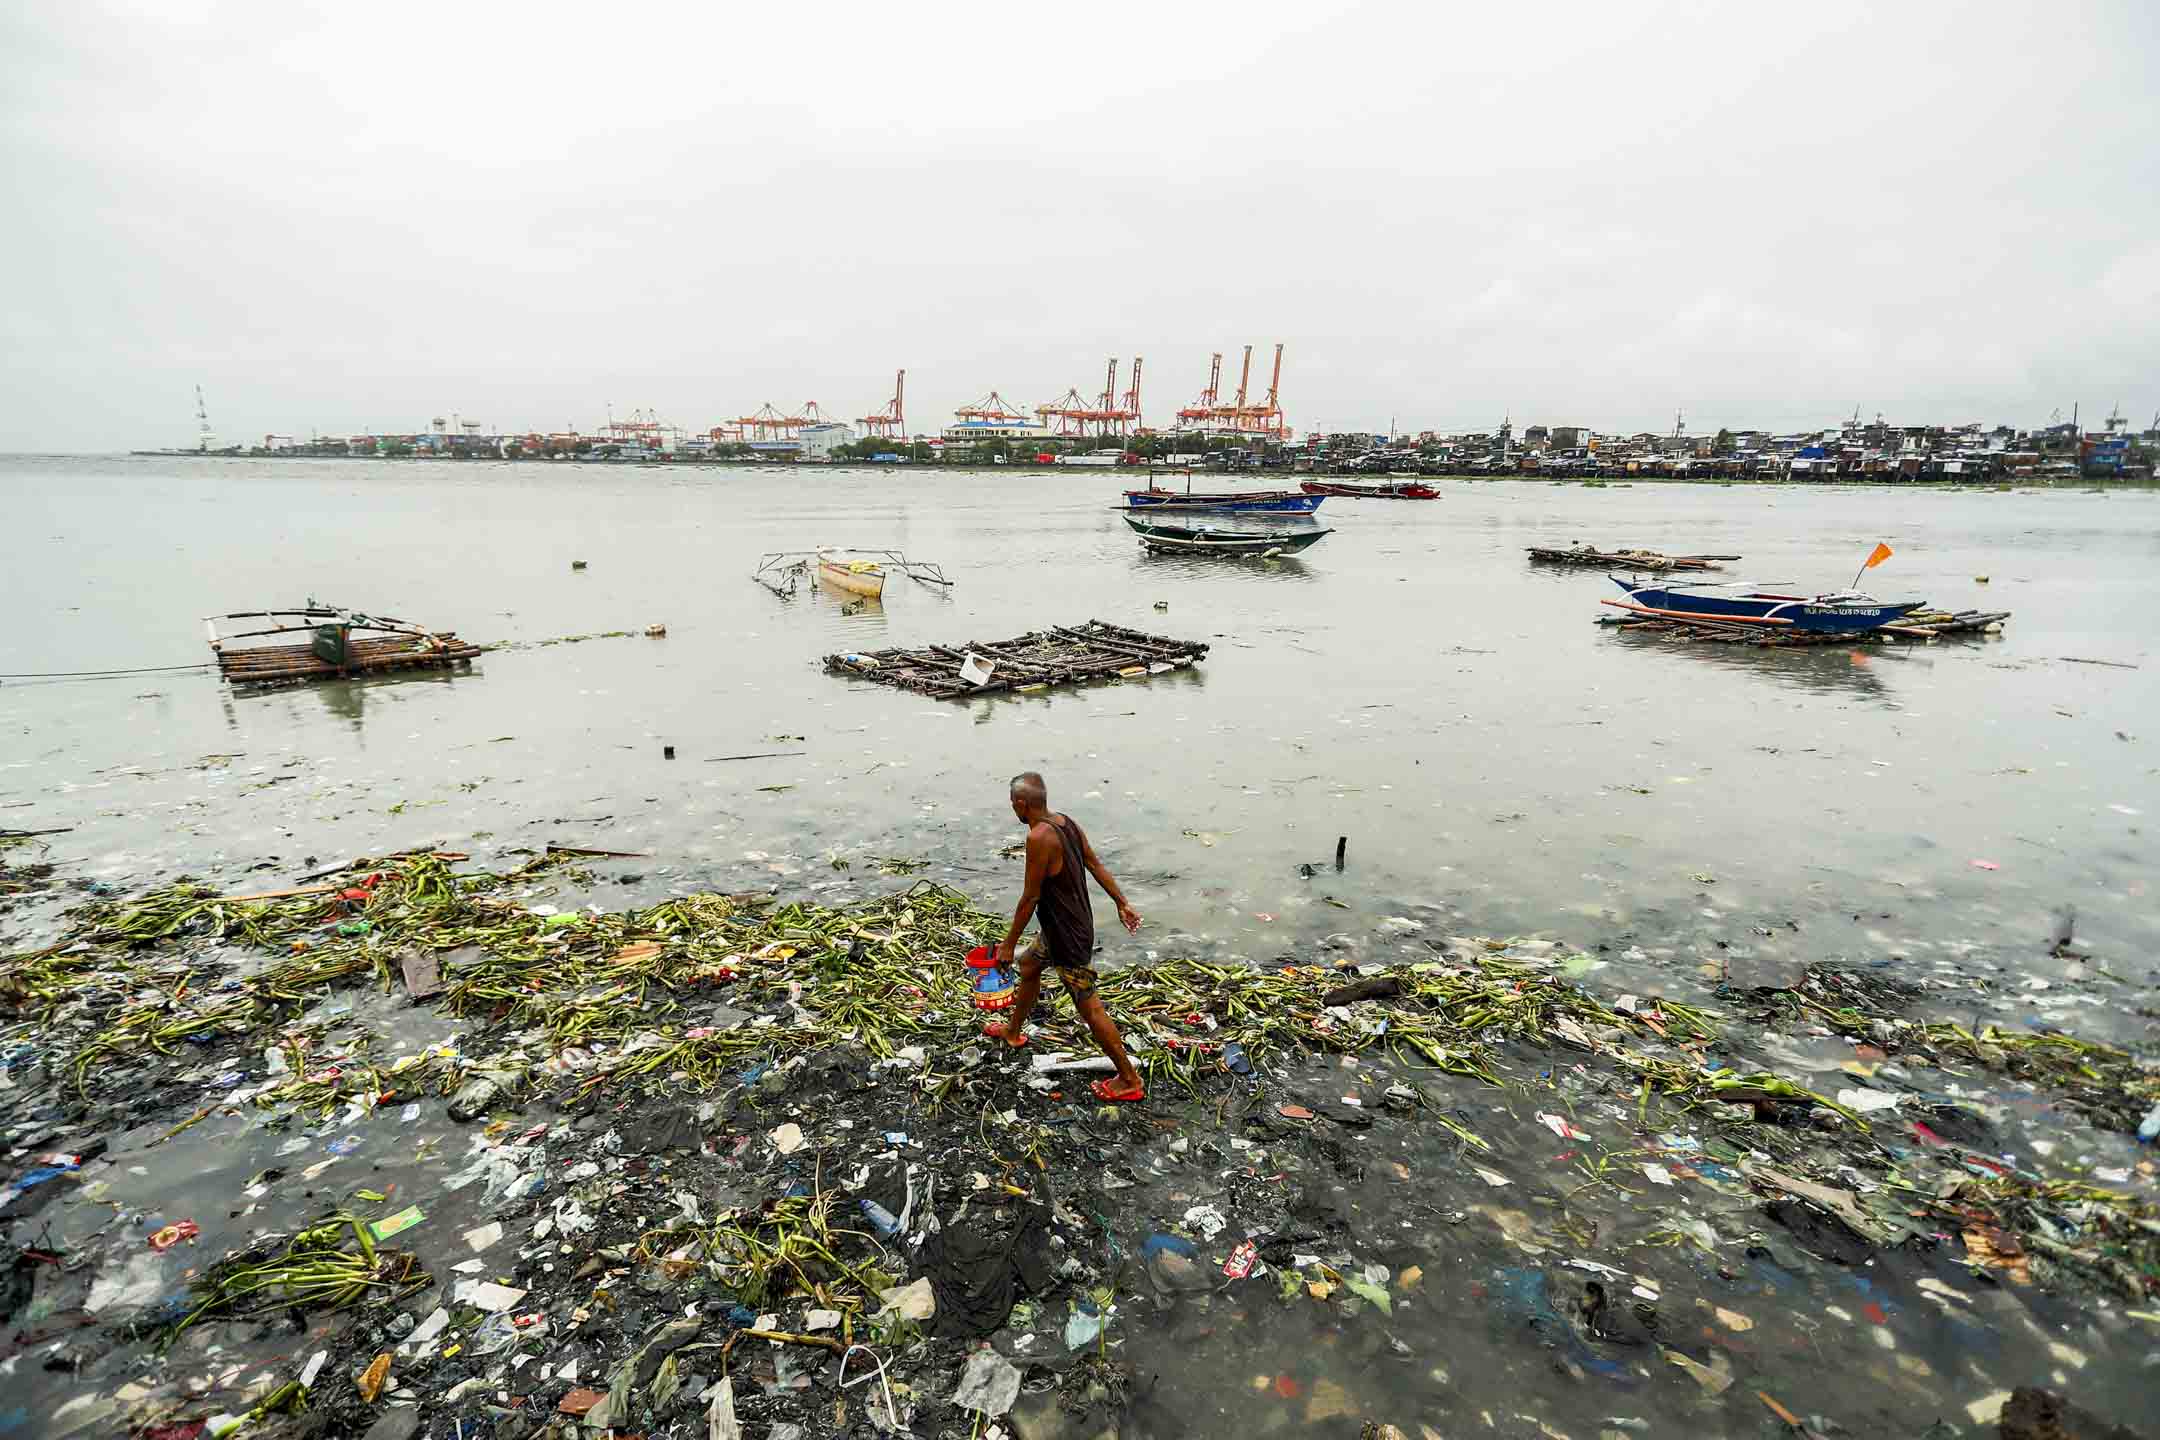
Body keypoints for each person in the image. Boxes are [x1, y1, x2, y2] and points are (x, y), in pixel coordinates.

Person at [983, 771, 1146, 1102]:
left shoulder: (1039, 837)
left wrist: (1008, 945)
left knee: (1090, 1008)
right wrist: (1121, 902)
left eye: (1013, 804)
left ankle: (1129, 1079)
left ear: (1021, 804)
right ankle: (1013, 1032)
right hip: (1062, 928)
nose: (1013, 809)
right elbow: (1095, 864)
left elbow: (1030, 897)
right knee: (1029, 966)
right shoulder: (1065, 823)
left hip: (1068, 938)